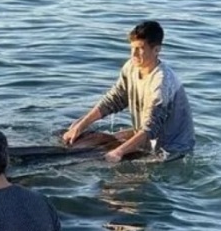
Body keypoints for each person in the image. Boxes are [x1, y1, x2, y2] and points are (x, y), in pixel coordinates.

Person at [62, 20, 195, 162]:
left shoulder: (161, 82)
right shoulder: (131, 67)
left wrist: (118, 152)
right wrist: (81, 125)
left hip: (172, 150)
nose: (134, 54)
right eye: (132, 48)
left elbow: (151, 128)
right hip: (146, 137)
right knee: (84, 140)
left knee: (108, 166)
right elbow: (114, 99)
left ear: (156, 50)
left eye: (140, 48)